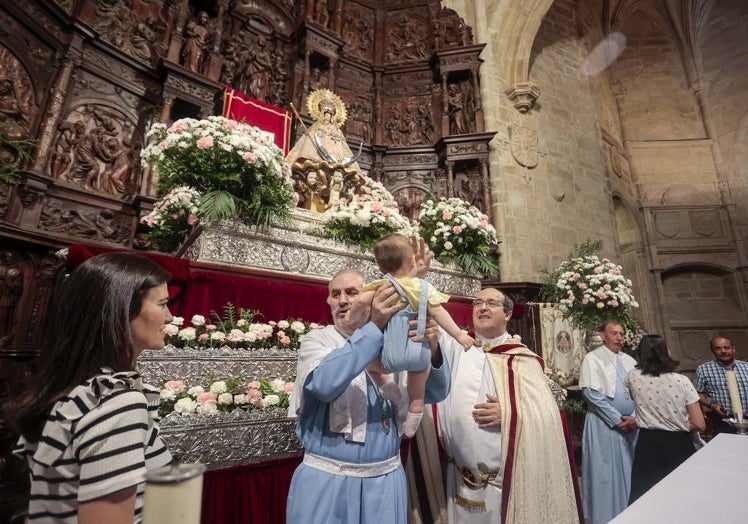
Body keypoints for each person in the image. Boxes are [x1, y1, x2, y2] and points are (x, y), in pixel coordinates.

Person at [6, 253, 174, 523]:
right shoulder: (117, 402)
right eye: (163, 304)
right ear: (122, 309)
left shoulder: (78, 388)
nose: (170, 317)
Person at [286, 248, 451, 523]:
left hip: (385, 483)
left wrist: (431, 348)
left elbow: (436, 391)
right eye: (335, 294)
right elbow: (325, 385)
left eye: (351, 292)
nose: (342, 300)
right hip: (328, 481)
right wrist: (373, 327)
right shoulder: (318, 341)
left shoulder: (395, 340)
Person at [435, 287, 583, 524]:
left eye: (491, 303)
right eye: (478, 303)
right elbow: (428, 312)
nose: (482, 308)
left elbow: (551, 413)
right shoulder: (458, 347)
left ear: (507, 314)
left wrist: (512, 414)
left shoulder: (524, 359)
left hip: (503, 485)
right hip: (457, 482)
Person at [355, 234, 474, 438]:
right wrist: (459, 333)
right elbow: (439, 312)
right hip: (416, 350)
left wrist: (353, 315)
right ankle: (415, 408)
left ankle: (384, 381)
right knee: (418, 385)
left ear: (379, 266)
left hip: (389, 356)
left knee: (370, 363)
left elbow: (359, 303)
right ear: (411, 261)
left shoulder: (381, 286)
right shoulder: (422, 288)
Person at [625, 335, 705, 504]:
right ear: (665, 353)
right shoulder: (681, 381)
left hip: (647, 444)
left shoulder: (632, 377)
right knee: (682, 499)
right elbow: (699, 424)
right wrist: (677, 422)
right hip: (678, 443)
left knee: (647, 500)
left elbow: (634, 397)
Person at [578, 319, 638, 524]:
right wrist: (616, 418)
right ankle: (606, 518)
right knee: (605, 474)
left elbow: (642, 392)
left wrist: (635, 418)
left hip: (631, 425)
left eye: (622, 334)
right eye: (614, 333)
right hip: (604, 424)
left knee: (632, 470)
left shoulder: (630, 360)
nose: (619, 338)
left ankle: (633, 514)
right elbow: (591, 394)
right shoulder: (592, 359)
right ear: (603, 335)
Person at [693, 335, 748, 434]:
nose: (723, 351)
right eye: (718, 348)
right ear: (713, 351)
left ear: (733, 349)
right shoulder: (704, 369)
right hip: (724, 422)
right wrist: (711, 405)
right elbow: (696, 393)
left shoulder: (746, 367)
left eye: (726, 347)